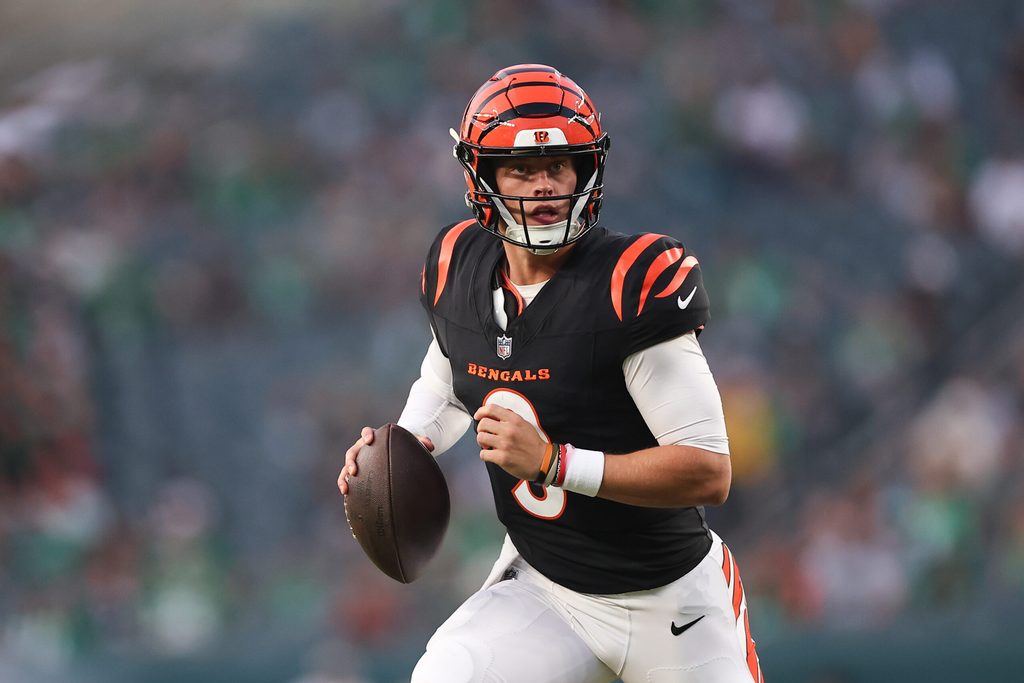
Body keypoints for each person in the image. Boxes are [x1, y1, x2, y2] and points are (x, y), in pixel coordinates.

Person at [338, 64, 765, 683]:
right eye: (520, 169)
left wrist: (552, 463)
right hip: (548, 591)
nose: (542, 186)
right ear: (482, 177)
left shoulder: (628, 283)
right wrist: (399, 447)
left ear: (584, 172)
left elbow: (707, 470)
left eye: (558, 166)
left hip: (671, 603)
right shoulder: (458, 264)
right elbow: (450, 378)